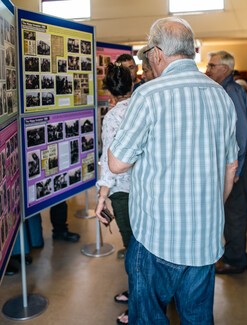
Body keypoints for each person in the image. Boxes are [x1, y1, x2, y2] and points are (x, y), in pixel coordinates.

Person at [107, 17, 238, 324]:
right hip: (204, 240)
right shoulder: (222, 95)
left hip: (156, 239)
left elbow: (117, 163)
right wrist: (211, 208)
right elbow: (231, 167)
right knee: (197, 318)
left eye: (150, 52)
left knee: (149, 317)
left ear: (158, 53)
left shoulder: (149, 95)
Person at [206, 51, 247, 274]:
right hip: (236, 163)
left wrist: (235, 170)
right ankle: (233, 255)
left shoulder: (230, 92)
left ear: (224, 69)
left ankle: (234, 261)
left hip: (238, 165)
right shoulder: (225, 90)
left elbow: (242, 136)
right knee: (232, 212)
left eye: (212, 65)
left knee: (235, 213)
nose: (208, 70)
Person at [95, 62, 133, 325]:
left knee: (133, 250)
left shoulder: (112, 117)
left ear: (109, 91)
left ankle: (139, 306)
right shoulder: (143, 108)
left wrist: (101, 197)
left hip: (123, 191)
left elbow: (110, 160)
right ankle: (142, 295)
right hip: (148, 188)